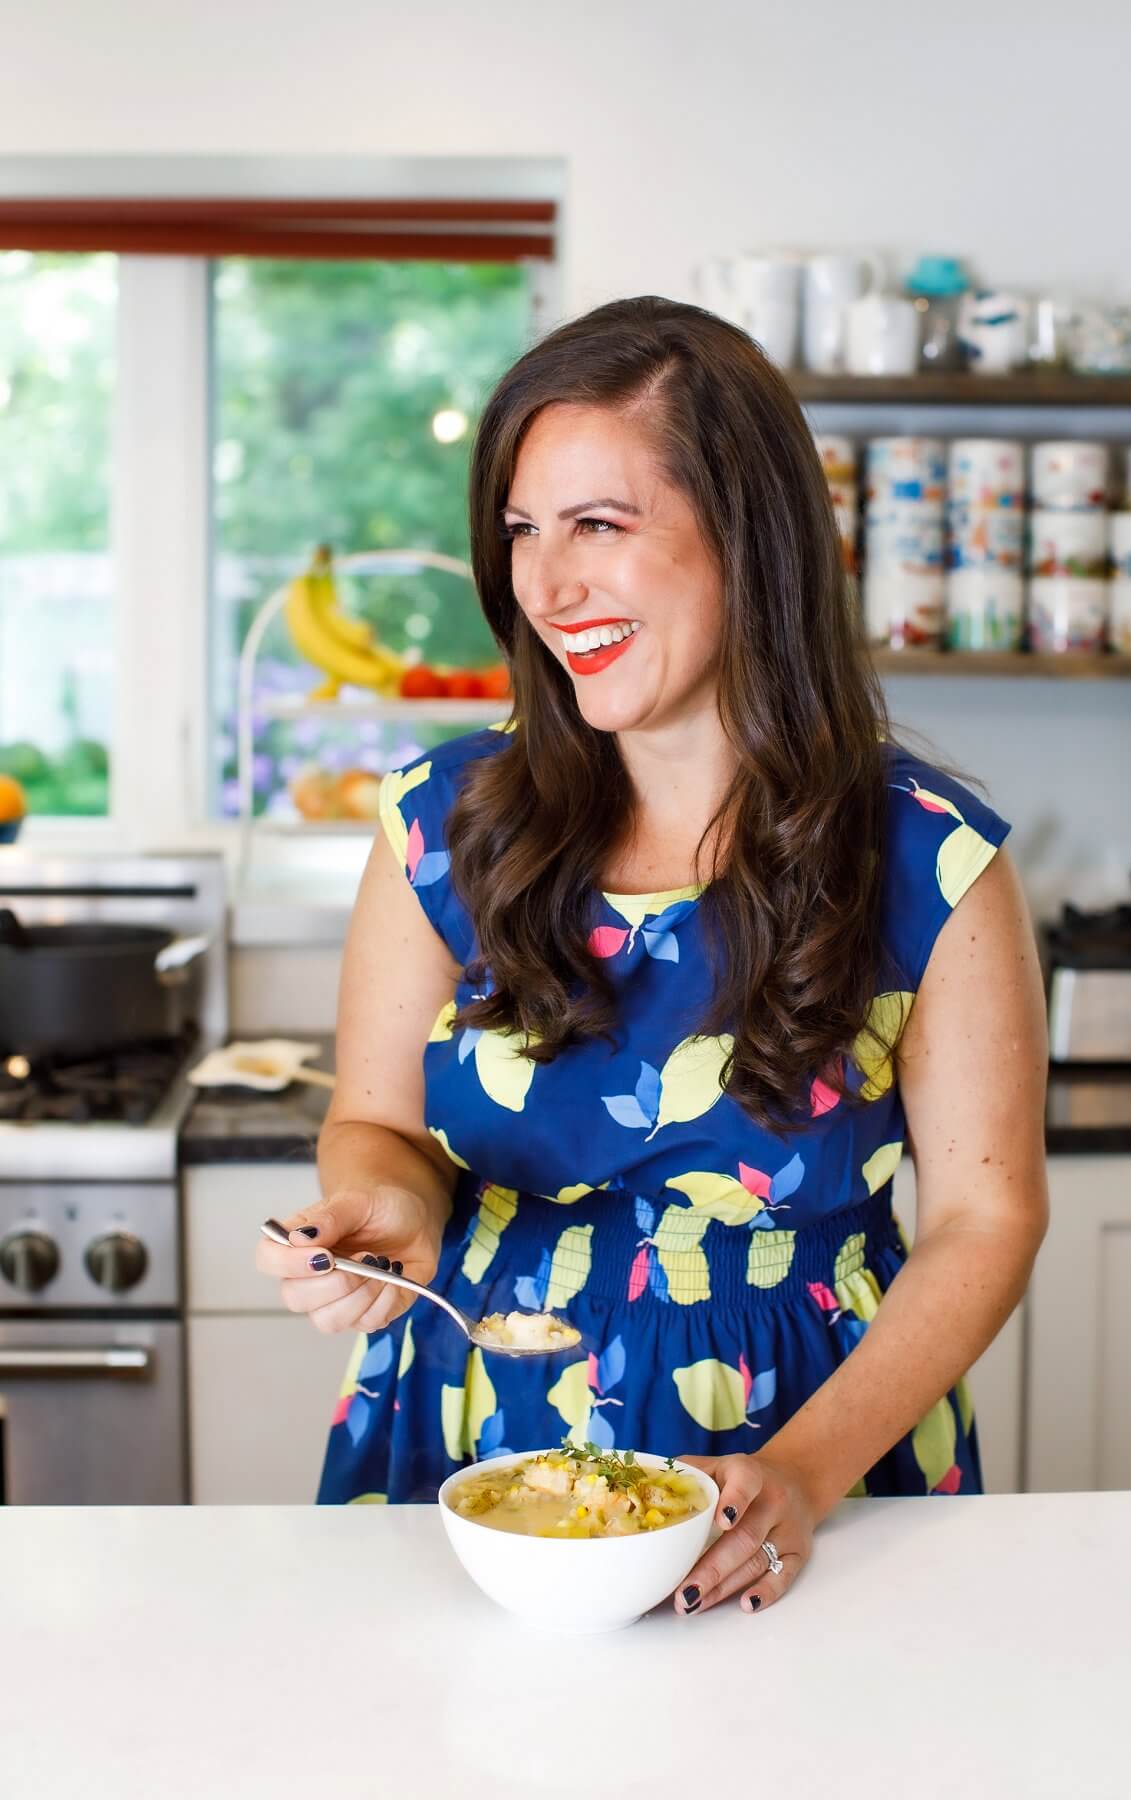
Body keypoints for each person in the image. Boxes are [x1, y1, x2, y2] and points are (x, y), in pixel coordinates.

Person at [256, 295, 1049, 1617]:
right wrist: (382, 1213)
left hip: (806, 1457)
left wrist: (804, 1473)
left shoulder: (928, 860)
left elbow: (988, 1218)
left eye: (600, 526)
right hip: (473, 1422)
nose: (545, 586)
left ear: (749, 535)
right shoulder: (443, 827)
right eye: (523, 530)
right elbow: (375, 1124)